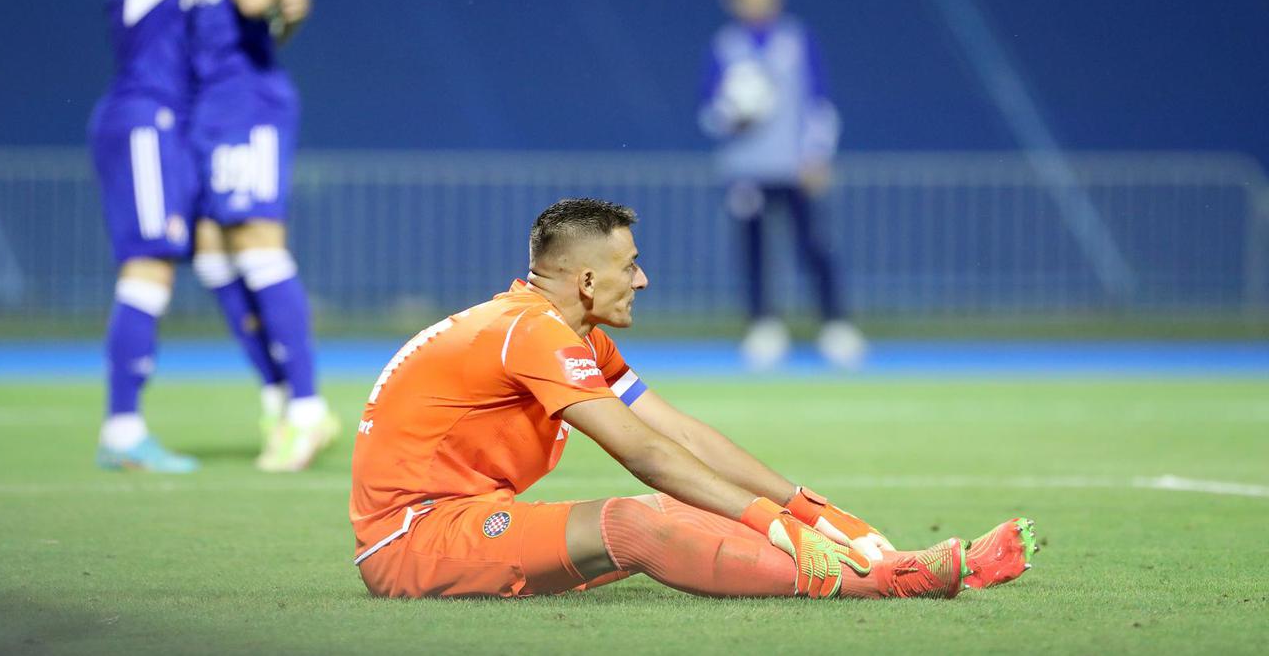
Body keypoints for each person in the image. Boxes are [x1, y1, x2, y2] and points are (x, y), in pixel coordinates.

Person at [350, 198, 1036, 600]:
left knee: (686, 502)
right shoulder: (528, 332)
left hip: (462, 517)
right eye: (630, 265)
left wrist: (808, 507)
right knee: (635, 522)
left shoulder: (560, 328)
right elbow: (644, 452)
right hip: (414, 541)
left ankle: (883, 561)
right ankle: (888, 581)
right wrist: (774, 524)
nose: (643, 279)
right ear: (587, 279)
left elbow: (680, 434)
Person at [90, 0, 309, 472]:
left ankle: (278, 395)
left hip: (174, 120)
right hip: (145, 116)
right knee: (150, 265)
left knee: (206, 244)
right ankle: (123, 427)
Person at [176, 0, 338, 471]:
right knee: (211, 249)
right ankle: (277, 393)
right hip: (197, 108)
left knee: (256, 240)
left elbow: (252, 0)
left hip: (247, 105)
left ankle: (306, 409)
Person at [699, 0, 866, 369]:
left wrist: (817, 155)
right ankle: (763, 326)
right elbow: (709, 112)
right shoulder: (725, 46)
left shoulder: (796, 39)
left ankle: (835, 326)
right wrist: (732, 114)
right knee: (753, 250)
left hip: (794, 167)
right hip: (746, 169)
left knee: (813, 243)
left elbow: (819, 102)